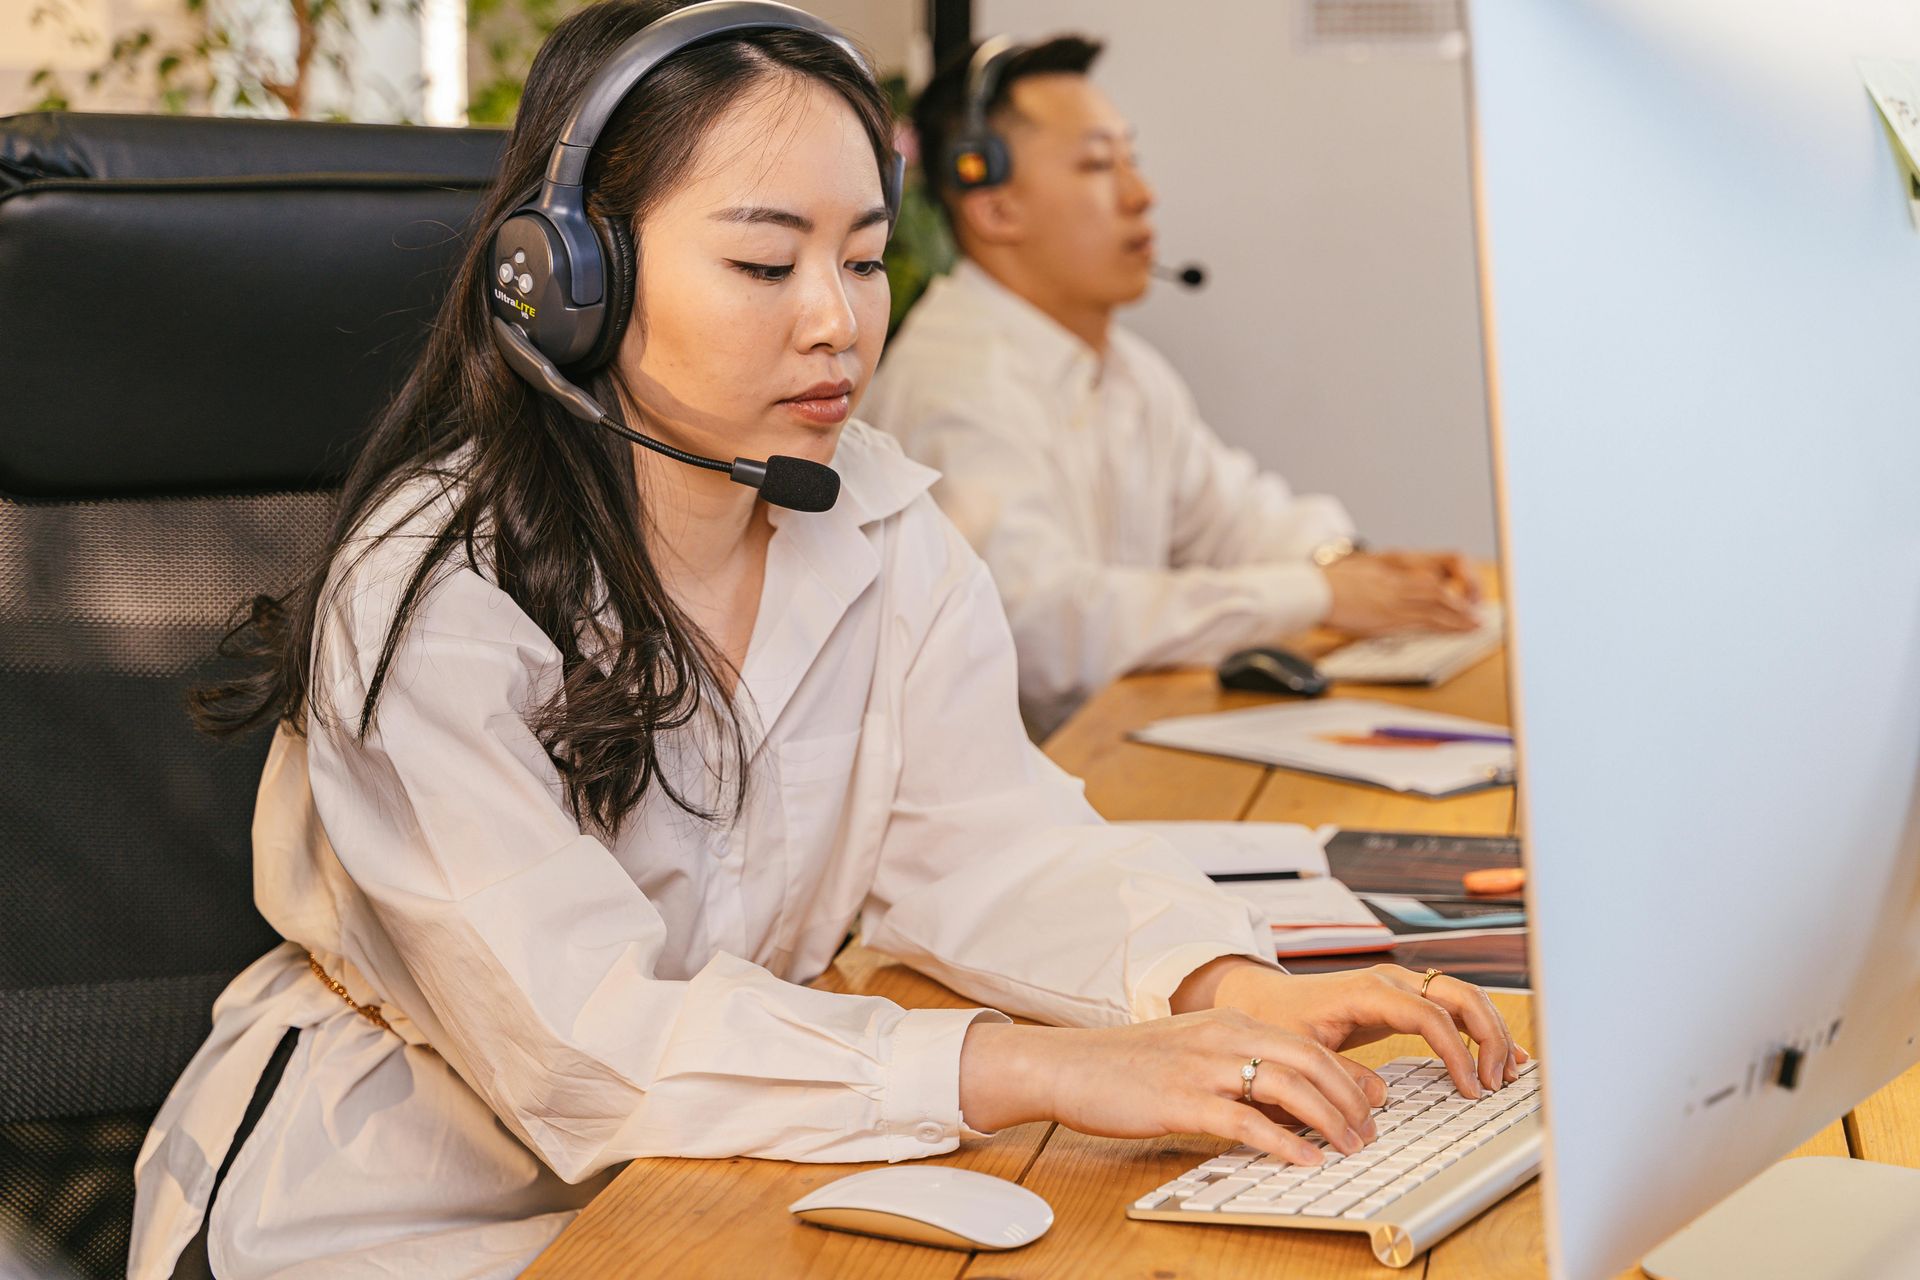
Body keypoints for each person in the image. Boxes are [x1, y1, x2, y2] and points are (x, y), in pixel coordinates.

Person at [127, 5, 1520, 1277]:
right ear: (572, 279)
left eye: (861, 259)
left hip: (730, 1169)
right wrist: (1034, 1068)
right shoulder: (436, 596)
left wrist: (1219, 983)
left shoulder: (877, 521)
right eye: (762, 260)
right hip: (400, 1220)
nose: (837, 321)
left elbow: (989, 846)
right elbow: (586, 1043)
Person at [866, 36, 1483, 736]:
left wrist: (1354, 570)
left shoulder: (1125, 369)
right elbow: (1041, 632)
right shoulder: (957, 383)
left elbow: (1235, 517)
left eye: (1133, 160)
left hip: (1097, 764)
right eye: (1100, 165)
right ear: (993, 207)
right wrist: (1318, 594)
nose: (1142, 195)